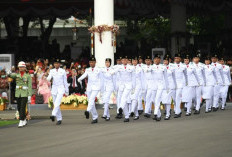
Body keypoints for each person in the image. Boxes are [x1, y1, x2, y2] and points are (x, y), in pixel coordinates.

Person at [78, 56, 103, 124]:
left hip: (96, 87)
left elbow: (102, 79)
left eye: (92, 62)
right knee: (91, 102)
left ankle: (87, 111)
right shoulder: (88, 69)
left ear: (95, 62)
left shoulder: (98, 69)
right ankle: (95, 117)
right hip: (89, 87)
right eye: (90, 62)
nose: (91, 63)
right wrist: (79, 79)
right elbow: (85, 75)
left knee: (91, 99)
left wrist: (101, 88)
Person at [8, 61, 32, 128]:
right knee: (19, 107)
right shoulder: (16, 75)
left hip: (25, 93)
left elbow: (29, 86)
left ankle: (21, 120)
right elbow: (10, 75)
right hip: (18, 93)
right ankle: (24, 119)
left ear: (24, 68)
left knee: (22, 107)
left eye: (22, 67)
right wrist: (8, 72)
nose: (20, 68)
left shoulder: (28, 76)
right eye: (19, 67)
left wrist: (29, 95)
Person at [47, 59, 69, 125]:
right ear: (54, 64)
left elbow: (65, 81)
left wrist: (67, 90)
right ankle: (59, 119)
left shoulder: (62, 71)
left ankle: (53, 114)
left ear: (60, 64)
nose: (56, 64)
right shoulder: (52, 71)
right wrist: (47, 78)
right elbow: (49, 78)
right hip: (54, 88)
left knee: (57, 102)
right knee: (55, 103)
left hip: (61, 88)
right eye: (55, 63)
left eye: (58, 63)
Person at [115, 56, 135, 122]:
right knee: (123, 101)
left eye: (125, 60)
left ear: (127, 60)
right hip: (121, 86)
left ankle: (120, 108)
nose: (124, 61)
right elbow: (114, 71)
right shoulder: (119, 67)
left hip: (128, 85)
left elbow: (133, 77)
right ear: (121, 61)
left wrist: (133, 87)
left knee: (124, 97)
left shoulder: (131, 67)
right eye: (123, 60)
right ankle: (126, 116)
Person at [151, 54, 169, 121]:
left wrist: (167, 87)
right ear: (153, 60)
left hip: (160, 85)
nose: (156, 60)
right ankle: (158, 115)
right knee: (153, 100)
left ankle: (155, 113)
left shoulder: (163, 67)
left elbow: (166, 78)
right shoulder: (151, 67)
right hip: (153, 85)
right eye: (155, 59)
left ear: (160, 60)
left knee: (157, 99)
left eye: (158, 58)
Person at [162, 55, 177, 120]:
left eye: (166, 61)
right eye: (164, 61)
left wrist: (175, 85)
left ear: (169, 61)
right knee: (166, 100)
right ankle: (167, 113)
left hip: (171, 85)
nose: (165, 62)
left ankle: (177, 110)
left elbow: (174, 77)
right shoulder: (161, 67)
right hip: (164, 86)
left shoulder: (172, 67)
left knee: (174, 99)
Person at [173, 53, 188, 118]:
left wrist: (186, 83)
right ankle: (177, 110)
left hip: (180, 83)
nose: (176, 59)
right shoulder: (172, 66)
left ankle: (177, 112)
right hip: (173, 84)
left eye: (178, 58)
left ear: (180, 59)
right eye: (175, 58)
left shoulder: (183, 66)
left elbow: (186, 75)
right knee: (174, 98)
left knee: (177, 97)